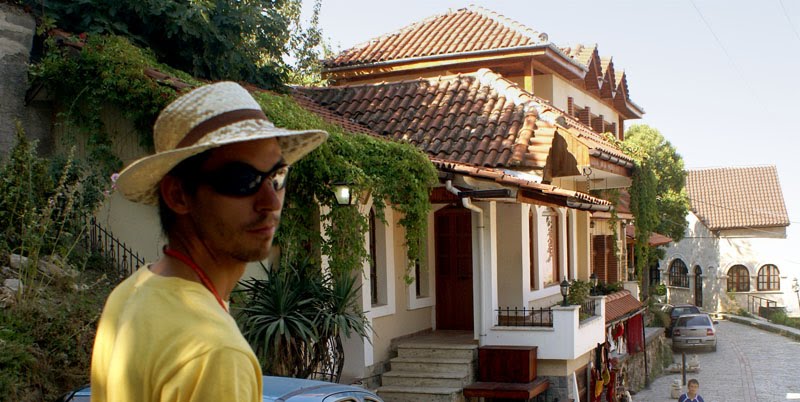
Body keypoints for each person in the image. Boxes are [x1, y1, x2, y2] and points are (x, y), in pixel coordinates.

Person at [90, 82, 328, 402]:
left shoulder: (131, 294)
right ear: (178, 195)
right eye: (242, 180)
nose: (271, 201)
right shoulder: (216, 355)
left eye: (277, 175)